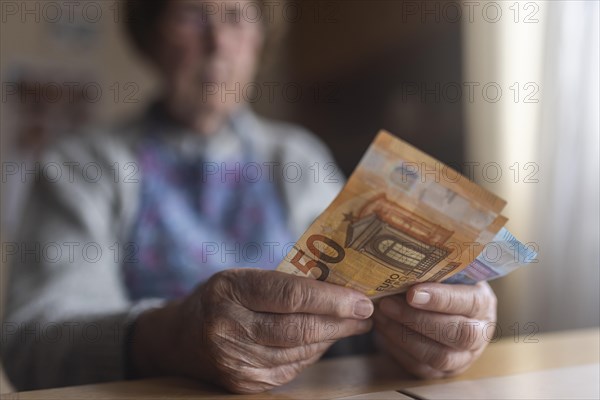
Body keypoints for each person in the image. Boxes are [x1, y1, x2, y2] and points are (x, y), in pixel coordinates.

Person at [1, 0, 497, 394]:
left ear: (259, 39)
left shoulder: (296, 157)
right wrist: (172, 336)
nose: (219, 42)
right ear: (151, 37)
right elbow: (32, 344)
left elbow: (361, 306)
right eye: (192, 15)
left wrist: (434, 322)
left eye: (238, 16)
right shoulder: (82, 166)